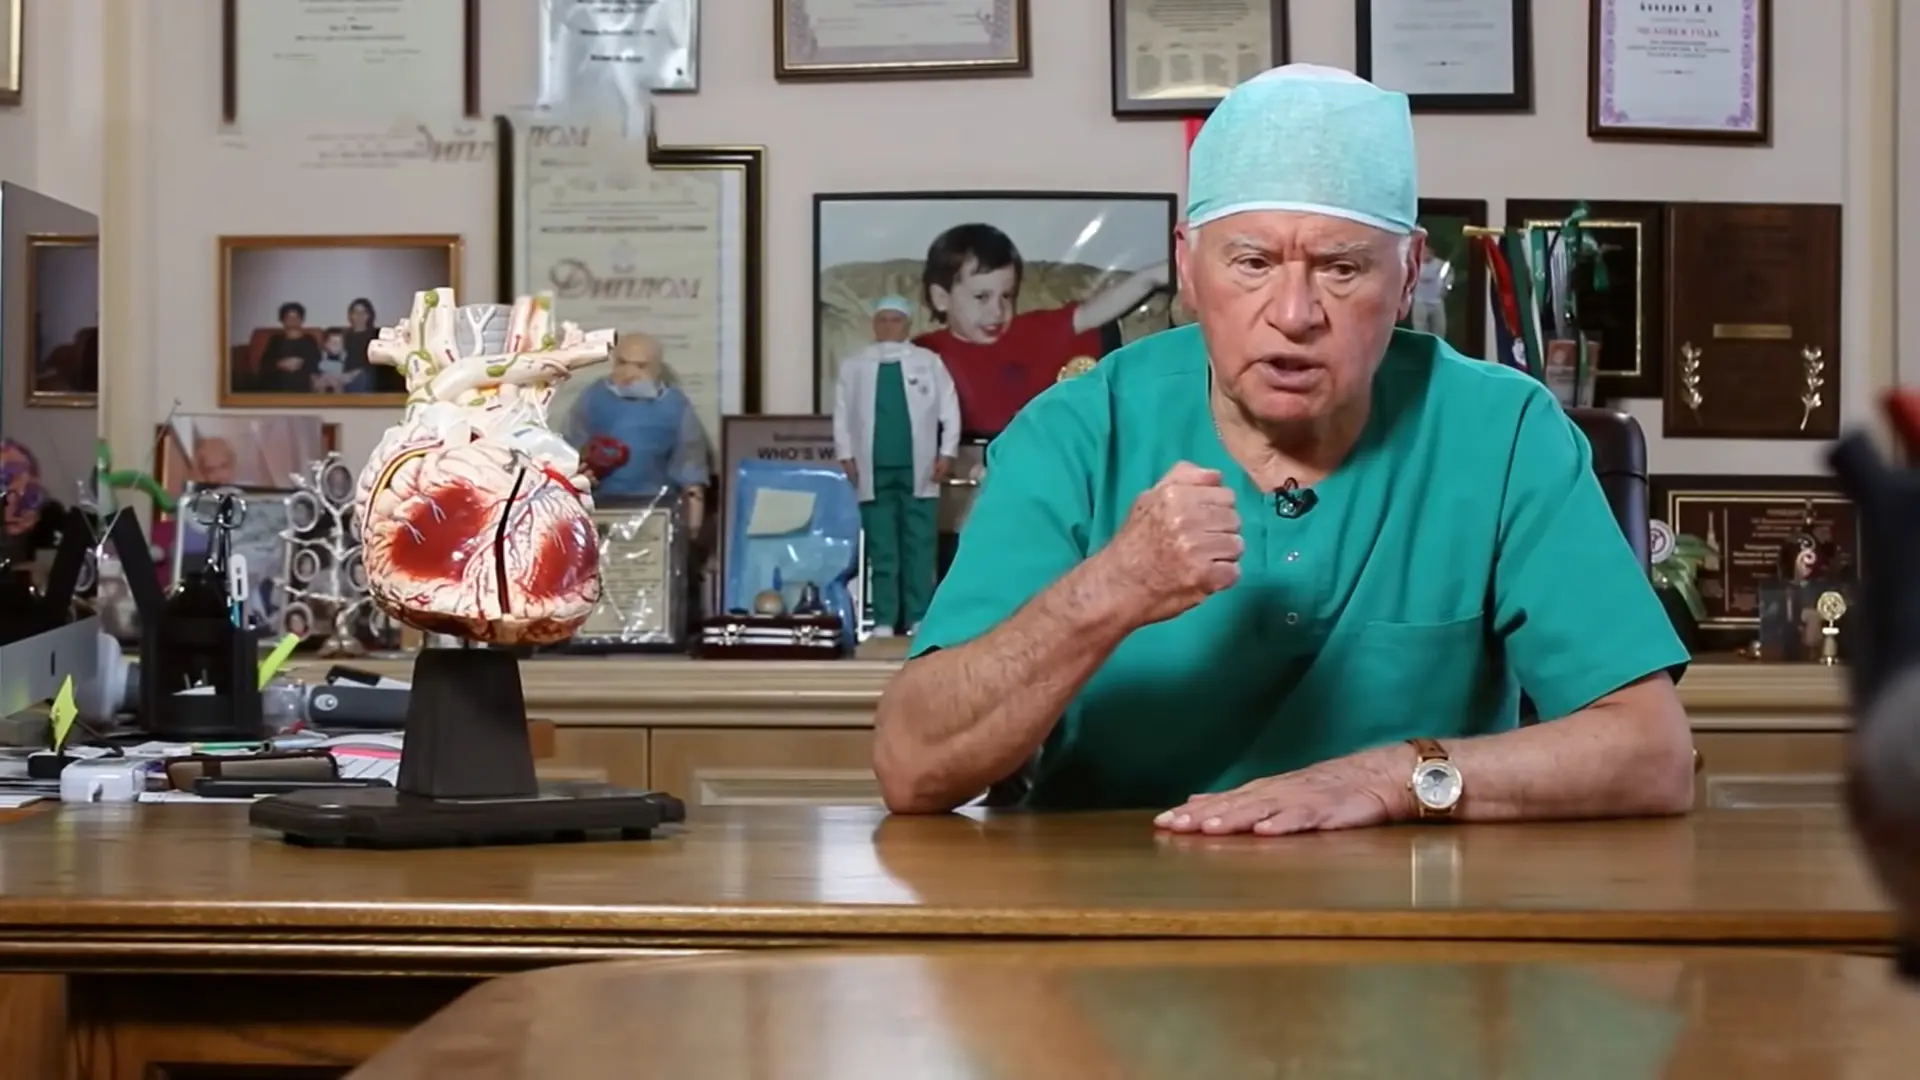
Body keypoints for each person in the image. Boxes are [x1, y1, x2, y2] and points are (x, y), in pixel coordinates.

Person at [873, 65, 1694, 831]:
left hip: (1411, 913)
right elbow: (913, 766)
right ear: (1188, 267)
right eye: (1252, 262)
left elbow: (1654, 755)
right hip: (1114, 910)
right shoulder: (1076, 432)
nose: (1294, 314)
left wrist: (1390, 778)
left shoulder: (1505, 432)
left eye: (1341, 268)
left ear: (1409, 273)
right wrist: (1114, 586)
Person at [913, 223, 1168, 439]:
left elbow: (1091, 313)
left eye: (1007, 296)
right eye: (982, 297)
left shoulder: (1030, 331)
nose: (998, 311)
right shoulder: (923, 353)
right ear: (941, 298)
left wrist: (1148, 278)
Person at [833, 295, 961, 638]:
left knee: (920, 545)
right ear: (874, 324)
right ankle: (885, 618)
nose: (889, 326)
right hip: (873, 469)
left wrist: (947, 452)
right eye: (883, 319)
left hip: (921, 469)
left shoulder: (928, 362)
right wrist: (846, 454)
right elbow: (842, 415)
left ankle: (919, 615)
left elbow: (949, 410)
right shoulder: (854, 365)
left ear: (907, 324)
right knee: (882, 547)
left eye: (896, 320)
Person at [565, 333, 711, 531]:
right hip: (600, 505)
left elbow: (690, 467)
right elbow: (571, 449)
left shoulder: (675, 406)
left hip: (657, 508)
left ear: (657, 369)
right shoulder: (594, 398)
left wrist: (693, 527)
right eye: (622, 363)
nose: (629, 373)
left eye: (640, 366)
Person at [257, 302, 321, 393]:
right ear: (282, 320)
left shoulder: (309, 340)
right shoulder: (275, 340)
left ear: (301, 319)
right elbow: (265, 363)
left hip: (301, 378)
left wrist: (301, 363)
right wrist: (279, 364)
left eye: (296, 317)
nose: (293, 320)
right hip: (278, 379)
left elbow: (316, 362)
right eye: (288, 317)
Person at [1410, 250, 1451, 337]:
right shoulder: (1415, 264)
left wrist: (1447, 287)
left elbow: (1449, 276)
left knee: (1439, 329)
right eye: (1424, 253)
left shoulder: (1440, 264)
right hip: (1420, 301)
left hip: (1436, 301)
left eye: (1428, 252)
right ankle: (1421, 344)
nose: (1426, 255)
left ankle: (1437, 344)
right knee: (1419, 329)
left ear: (1432, 253)